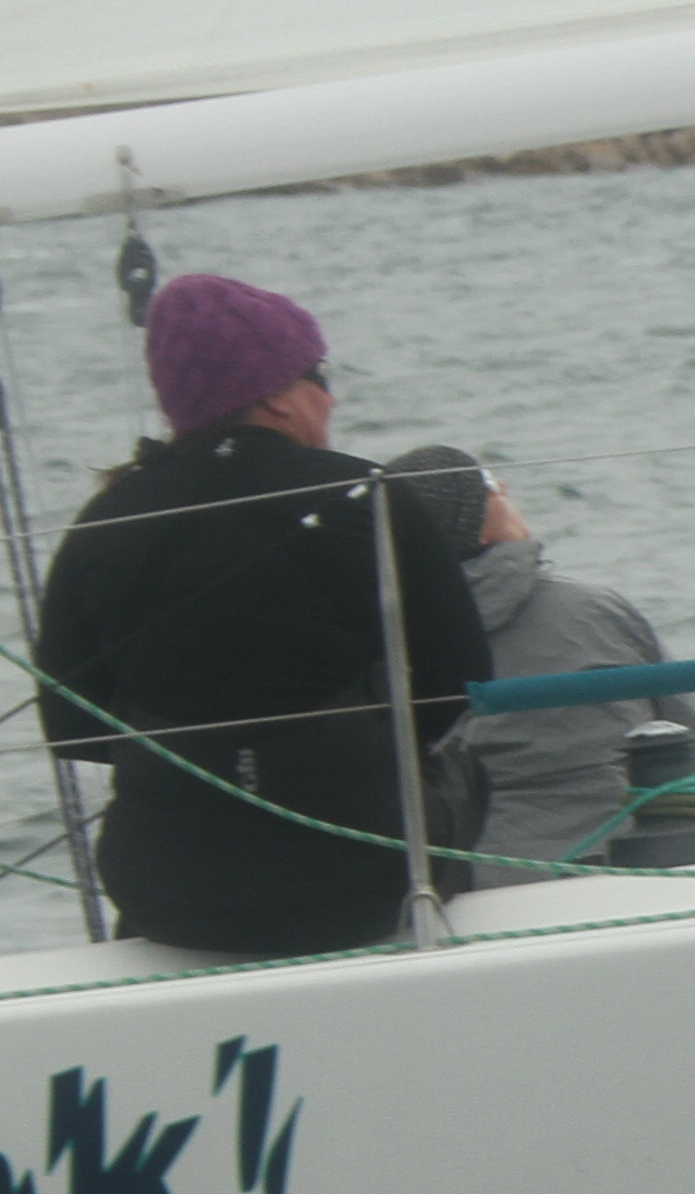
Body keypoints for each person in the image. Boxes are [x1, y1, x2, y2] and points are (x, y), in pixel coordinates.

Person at [33, 274, 492, 959]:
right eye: (319, 376)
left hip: (170, 899)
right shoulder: (368, 495)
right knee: (466, 770)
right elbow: (459, 680)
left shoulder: (103, 522)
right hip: (366, 881)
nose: (330, 397)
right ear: (276, 394)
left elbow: (71, 726)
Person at [379, 446, 695, 880]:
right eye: (490, 485)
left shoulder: (386, 642)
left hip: (473, 877)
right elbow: (690, 746)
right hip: (628, 853)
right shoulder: (593, 610)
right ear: (475, 524)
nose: (504, 488)